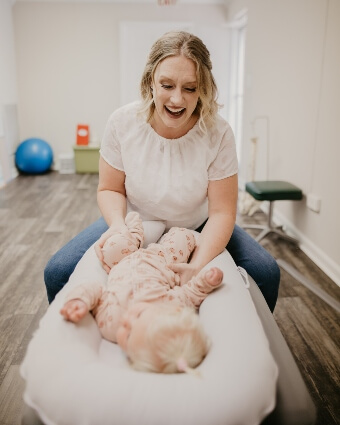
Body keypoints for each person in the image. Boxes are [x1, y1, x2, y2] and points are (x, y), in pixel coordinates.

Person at [45, 30, 280, 312]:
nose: (177, 100)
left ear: (203, 88)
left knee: (266, 273)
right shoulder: (122, 123)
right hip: (134, 220)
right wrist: (119, 227)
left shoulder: (218, 133)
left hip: (198, 223)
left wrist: (196, 265)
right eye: (167, 85)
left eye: (190, 88)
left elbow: (222, 212)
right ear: (150, 83)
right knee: (57, 272)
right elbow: (109, 188)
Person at [60, 212, 223, 373]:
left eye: (128, 335)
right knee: (184, 236)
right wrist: (206, 282)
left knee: (112, 248)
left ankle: (134, 233)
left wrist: (80, 300)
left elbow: (95, 290)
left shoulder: (110, 324)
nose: (127, 321)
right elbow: (191, 293)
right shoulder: (170, 305)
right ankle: (149, 232)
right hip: (163, 262)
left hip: (121, 262)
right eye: (138, 316)